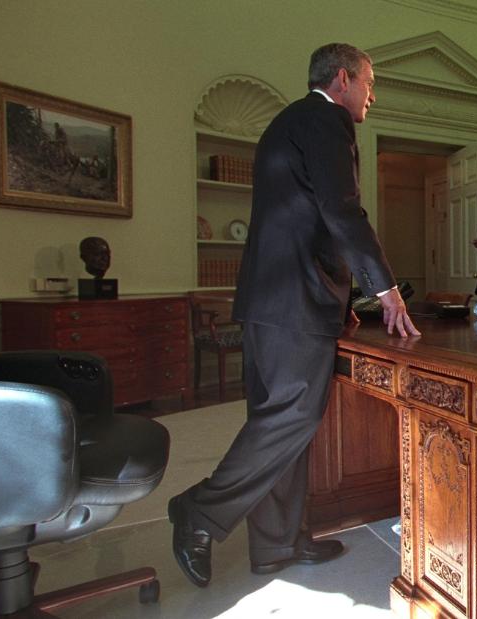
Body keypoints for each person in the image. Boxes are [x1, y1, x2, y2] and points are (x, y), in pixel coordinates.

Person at [168, 43, 419, 588]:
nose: (372, 95)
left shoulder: (290, 121)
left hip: (276, 300)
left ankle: (276, 545)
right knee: (290, 419)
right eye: (369, 84)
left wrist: (342, 299)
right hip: (292, 304)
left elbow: (309, 218)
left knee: (282, 421)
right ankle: (199, 511)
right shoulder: (326, 121)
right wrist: (386, 291)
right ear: (344, 79)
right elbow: (340, 211)